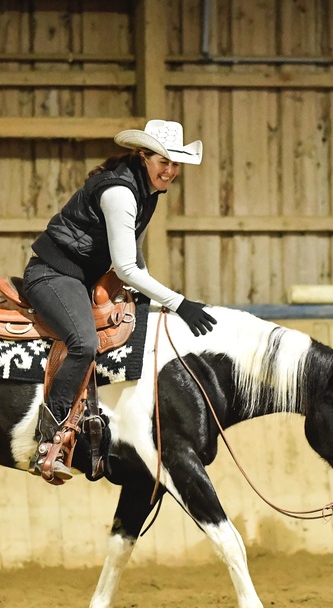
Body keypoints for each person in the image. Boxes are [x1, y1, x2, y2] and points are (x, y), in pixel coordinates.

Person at [21, 119, 217, 483]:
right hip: (53, 274)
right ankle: (49, 440)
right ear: (143, 156)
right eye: (163, 162)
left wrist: (152, 301)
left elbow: (133, 252)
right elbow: (125, 268)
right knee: (83, 343)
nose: (171, 171)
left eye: (176, 164)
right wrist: (178, 302)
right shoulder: (121, 193)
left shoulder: (146, 191)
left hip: (84, 278)